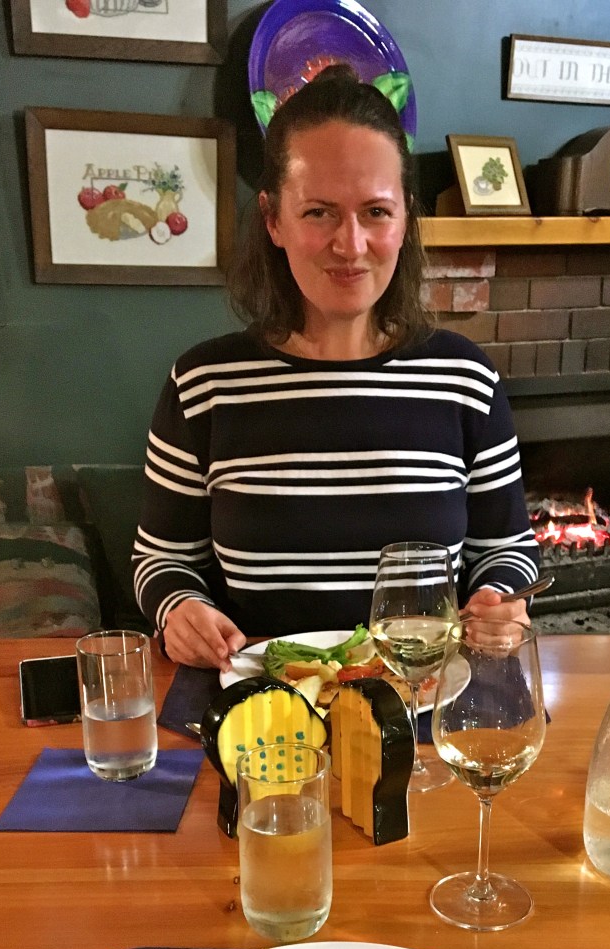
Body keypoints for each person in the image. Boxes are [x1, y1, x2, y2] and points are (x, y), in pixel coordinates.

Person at [133, 65, 540, 669]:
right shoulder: (202, 386)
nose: (350, 245)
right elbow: (161, 560)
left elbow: (508, 550)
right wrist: (178, 609)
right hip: (262, 703)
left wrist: (499, 599)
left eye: (376, 211)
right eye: (319, 212)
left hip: (422, 696)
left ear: (405, 219)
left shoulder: (466, 379)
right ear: (273, 219)